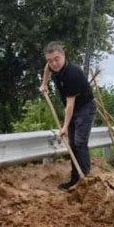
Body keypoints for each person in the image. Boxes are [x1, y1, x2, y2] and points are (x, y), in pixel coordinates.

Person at [40, 41, 97, 190]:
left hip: (85, 108)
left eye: (56, 59)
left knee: (79, 143)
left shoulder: (73, 73)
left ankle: (85, 180)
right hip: (72, 109)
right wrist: (44, 84)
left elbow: (70, 105)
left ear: (63, 56)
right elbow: (47, 69)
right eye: (50, 60)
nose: (53, 63)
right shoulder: (52, 67)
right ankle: (75, 179)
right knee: (72, 145)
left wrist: (64, 126)